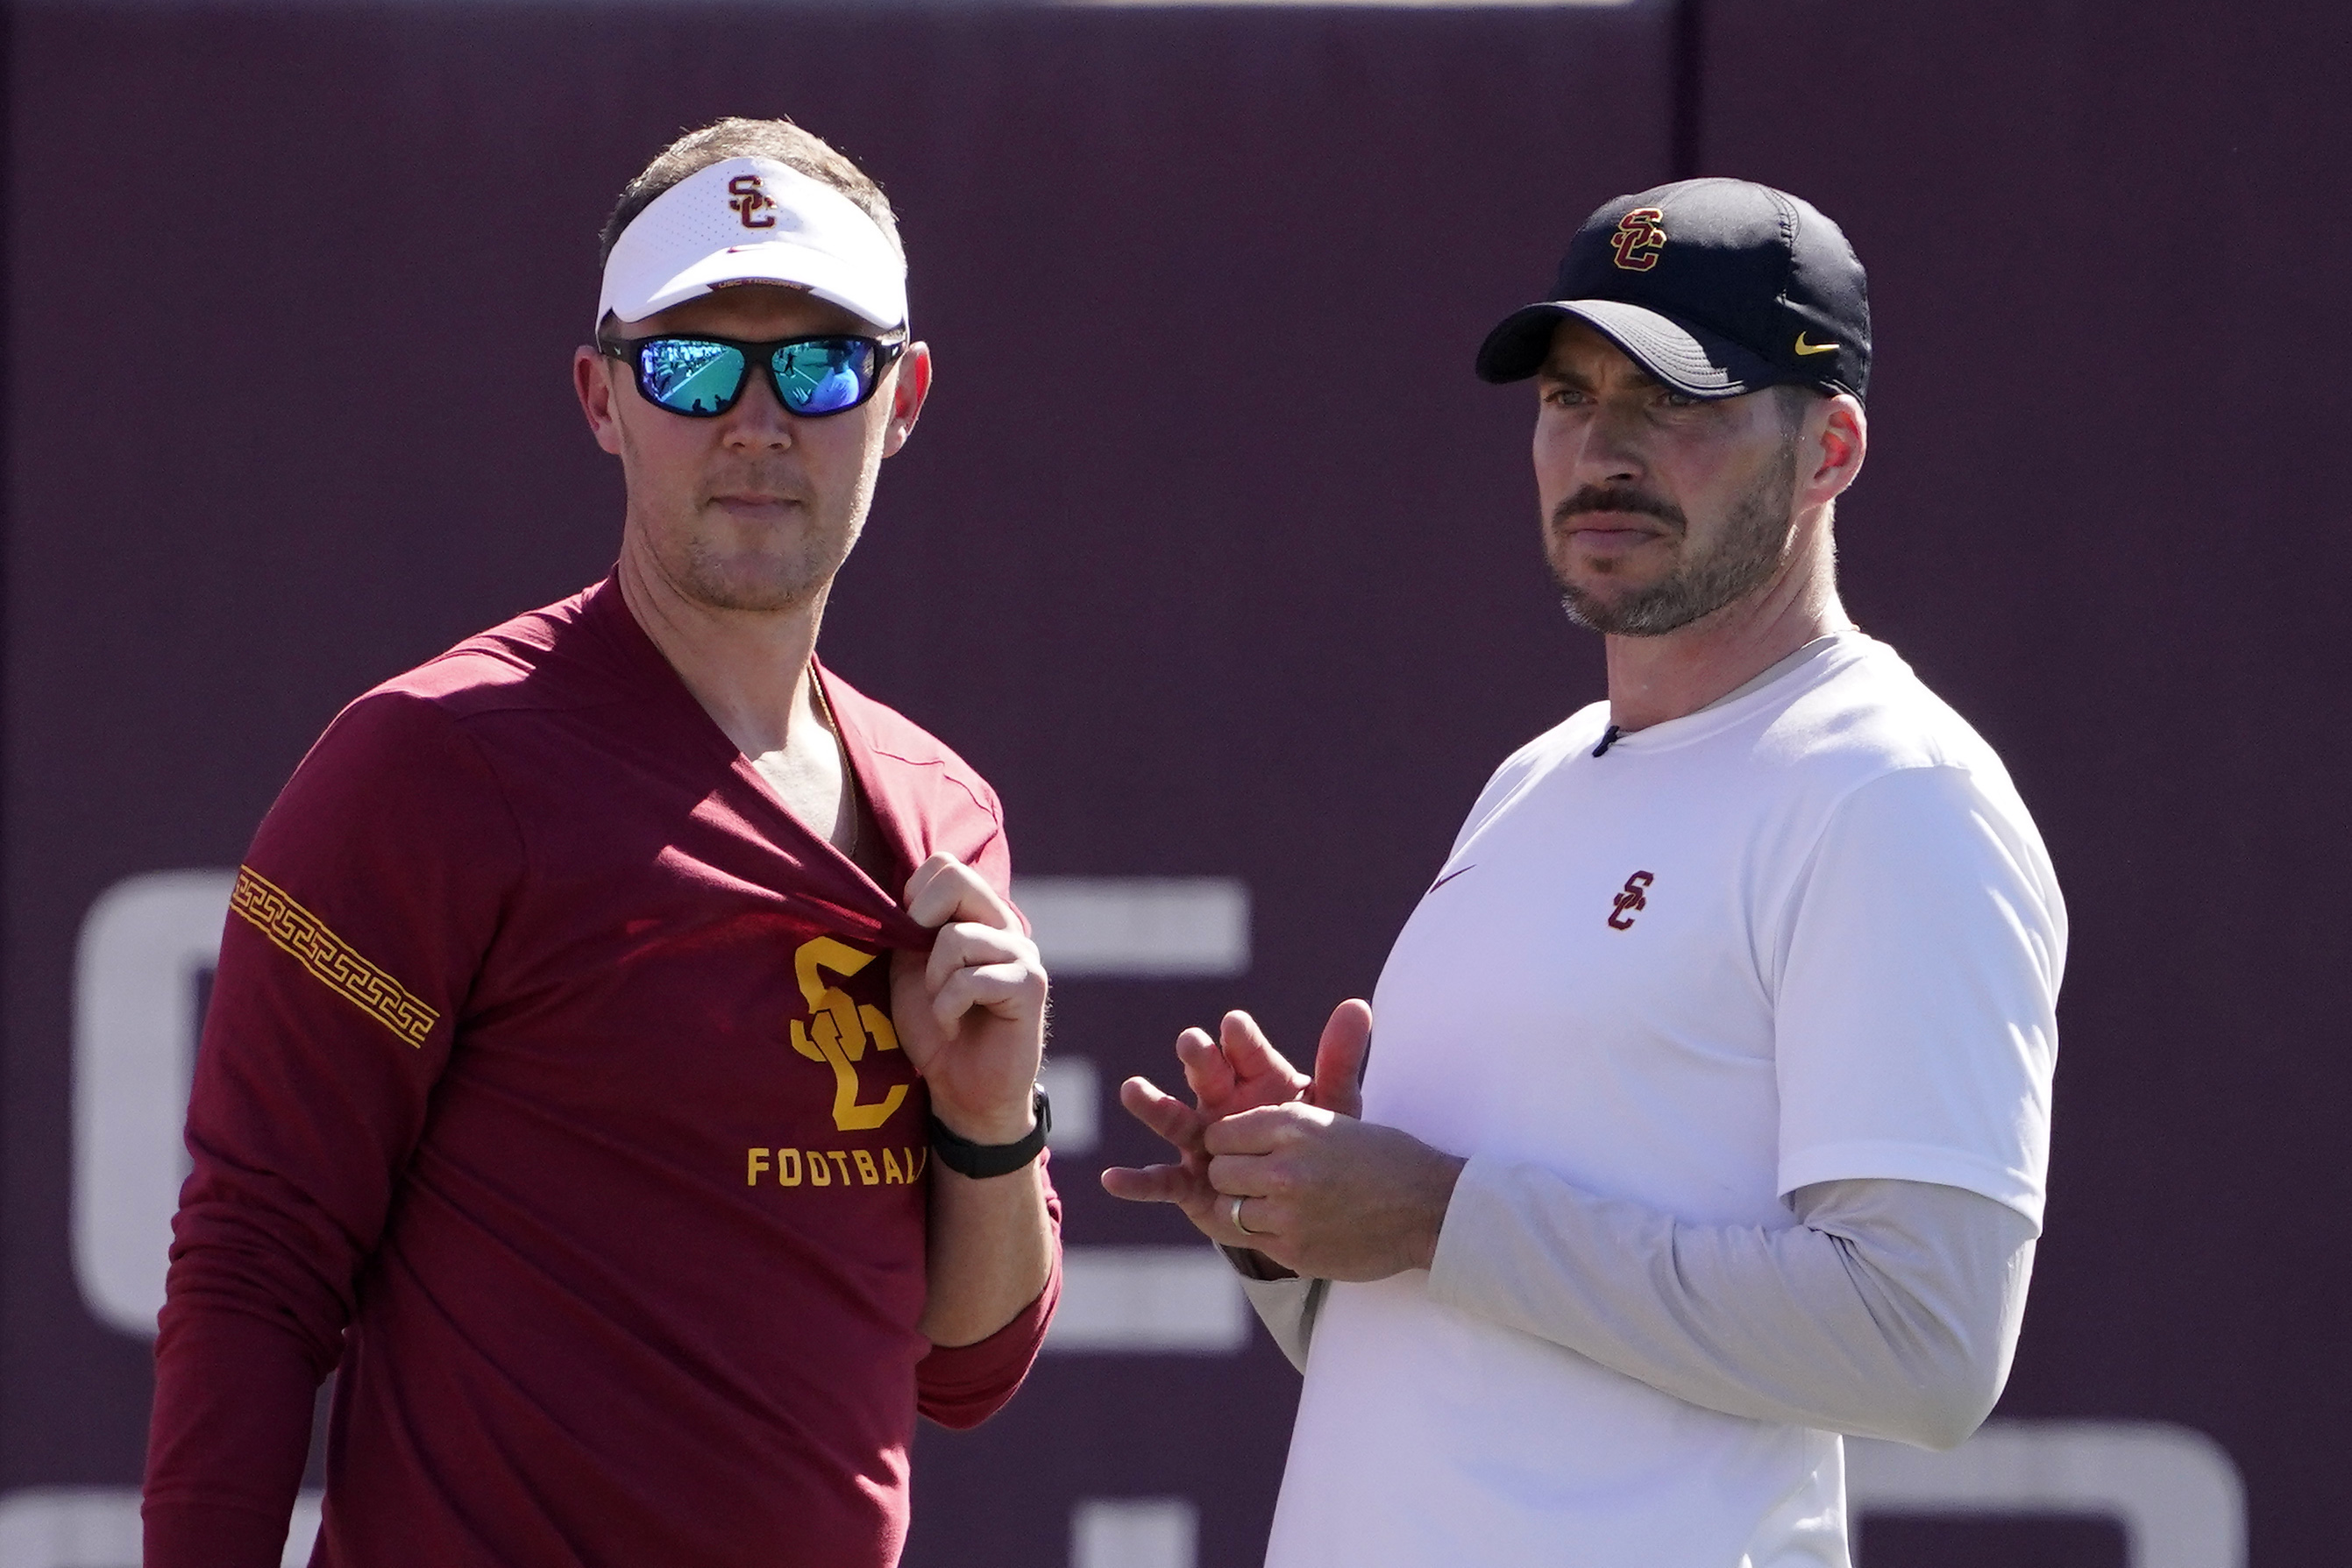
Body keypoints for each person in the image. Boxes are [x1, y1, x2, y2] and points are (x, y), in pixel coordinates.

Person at [143, 117, 1062, 1568]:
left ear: (903, 399)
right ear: (599, 395)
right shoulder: (429, 766)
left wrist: (988, 1125)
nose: (757, 422)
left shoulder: (945, 812)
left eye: (820, 365)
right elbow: (256, 1261)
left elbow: (967, 1369)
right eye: (693, 363)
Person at [1105, 178, 2064, 1566]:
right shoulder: (1537, 779)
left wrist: (1435, 1212)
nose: (1605, 446)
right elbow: (1492, 1353)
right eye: (1570, 395)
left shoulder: (1893, 792)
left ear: (1831, 448)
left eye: (1677, 399)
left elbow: (1925, 1341)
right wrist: (1297, 1220)